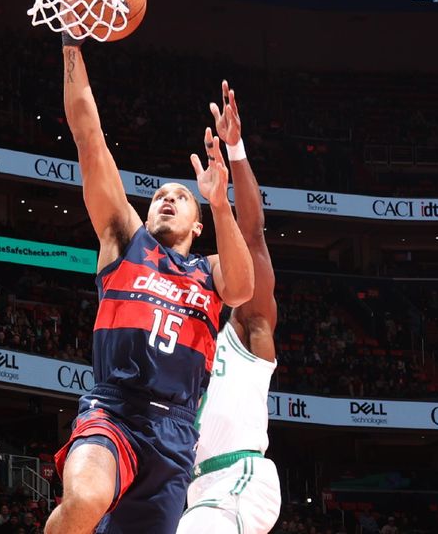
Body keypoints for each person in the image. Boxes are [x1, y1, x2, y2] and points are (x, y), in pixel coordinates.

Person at [44, 33, 255, 534]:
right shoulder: (125, 241)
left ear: (197, 223)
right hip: (114, 409)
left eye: (180, 197)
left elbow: (243, 290)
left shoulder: (208, 271)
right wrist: (72, 47)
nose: (165, 198)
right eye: (158, 194)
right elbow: (89, 139)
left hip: (177, 434)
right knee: (86, 496)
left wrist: (221, 201)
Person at [176, 81, 281, 534]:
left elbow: (253, 235)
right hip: (193, 490)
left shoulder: (244, 330)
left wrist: (235, 150)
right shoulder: (175, 346)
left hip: (238, 476)